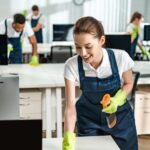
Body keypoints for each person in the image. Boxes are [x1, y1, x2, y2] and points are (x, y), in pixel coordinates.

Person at [63, 16, 138, 150]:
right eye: (78, 47)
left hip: (119, 118)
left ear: (101, 40)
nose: (83, 53)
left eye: (88, 46)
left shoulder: (120, 57)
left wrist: (118, 99)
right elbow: (70, 108)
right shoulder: (72, 65)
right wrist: (68, 139)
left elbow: (128, 83)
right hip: (88, 119)